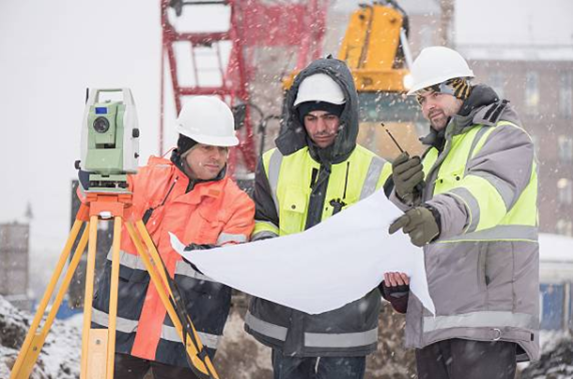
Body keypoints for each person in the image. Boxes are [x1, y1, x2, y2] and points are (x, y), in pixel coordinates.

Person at [387, 46, 539, 379]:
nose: (428, 107)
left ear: (459, 87)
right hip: (435, 321)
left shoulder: (505, 137)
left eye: (434, 95)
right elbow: (405, 228)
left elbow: (485, 192)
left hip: (485, 320)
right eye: (421, 100)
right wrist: (398, 195)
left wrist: (436, 215)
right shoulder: (432, 154)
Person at [81, 96, 255, 378]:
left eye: (223, 149)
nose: (217, 156)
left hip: (183, 337)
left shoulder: (237, 204)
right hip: (122, 326)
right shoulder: (146, 178)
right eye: (207, 147)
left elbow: (232, 261)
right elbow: (94, 198)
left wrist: (208, 257)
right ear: (185, 146)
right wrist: (90, 178)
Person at [244, 57, 394, 379]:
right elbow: (263, 217)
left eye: (329, 117)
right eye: (311, 118)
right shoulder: (274, 163)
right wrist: (267, 244)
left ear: (346, 115)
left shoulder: (378, 171)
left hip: (343, 328)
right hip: (288, 322)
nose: (320, 128)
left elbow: (387, 240)